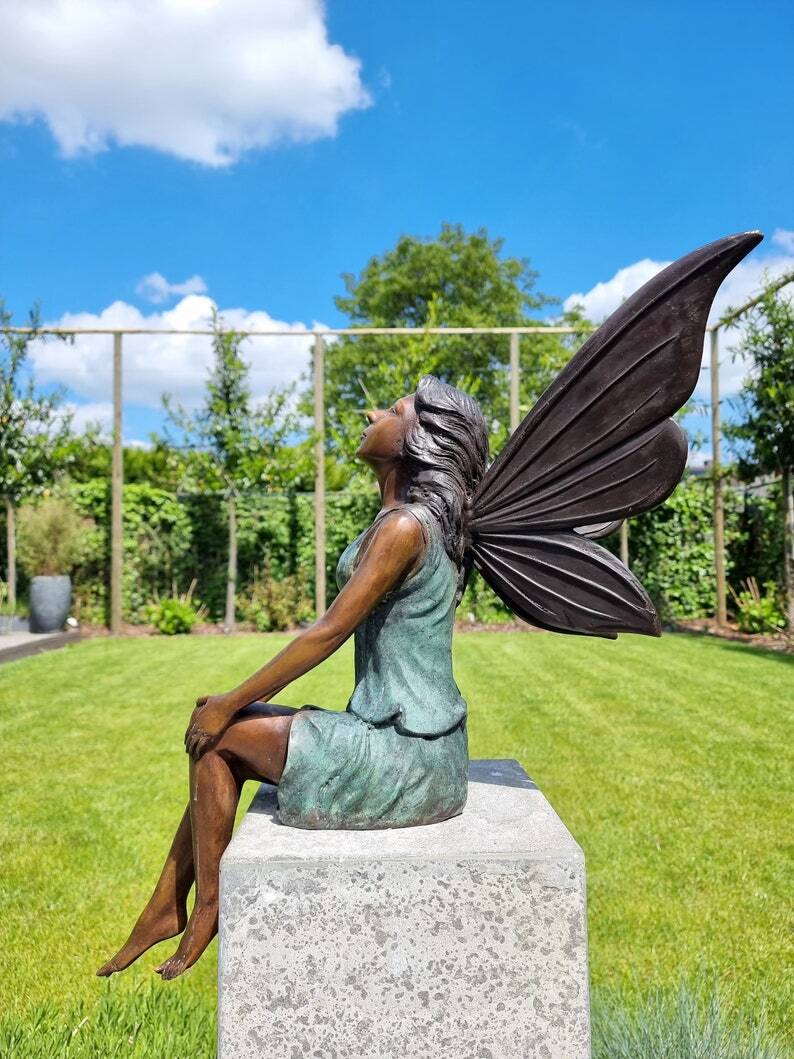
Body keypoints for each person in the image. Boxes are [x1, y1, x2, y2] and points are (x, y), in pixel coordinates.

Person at [97, 375, 489, 980]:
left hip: (405, 752)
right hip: (417, 745)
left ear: (420, 441)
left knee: (219, 735)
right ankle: (168, 905)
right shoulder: (406, 522)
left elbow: (327, 633)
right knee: (221, 721)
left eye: (393, 409)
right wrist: (232, 703)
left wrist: (233, 701)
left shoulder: (405, 528)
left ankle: (205, 907)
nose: (372, 413)